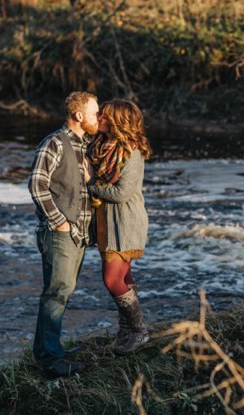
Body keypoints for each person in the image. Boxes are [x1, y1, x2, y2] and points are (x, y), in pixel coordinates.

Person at [28, 91, 99, 378]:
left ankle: (50, 350)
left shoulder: (85, 146)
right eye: (95, 113)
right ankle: (49, 359)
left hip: (77, 235)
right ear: (79, 115)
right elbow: (36, 185)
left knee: (62, 293)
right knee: (56, 295)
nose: (99, 118)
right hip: (59, 233)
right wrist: (59, 222)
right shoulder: (54, 143)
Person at [87, 99, 151, 355]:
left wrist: (90, 184)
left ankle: (139, 330)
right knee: (123, 277)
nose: (100, 115)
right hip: (107, 221)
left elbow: (122, 192)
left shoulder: (131, 152)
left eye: (105, 114)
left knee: (112, 279)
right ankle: (127, 331)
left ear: (116, 122)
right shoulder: (101, 146)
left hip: (125, 221)